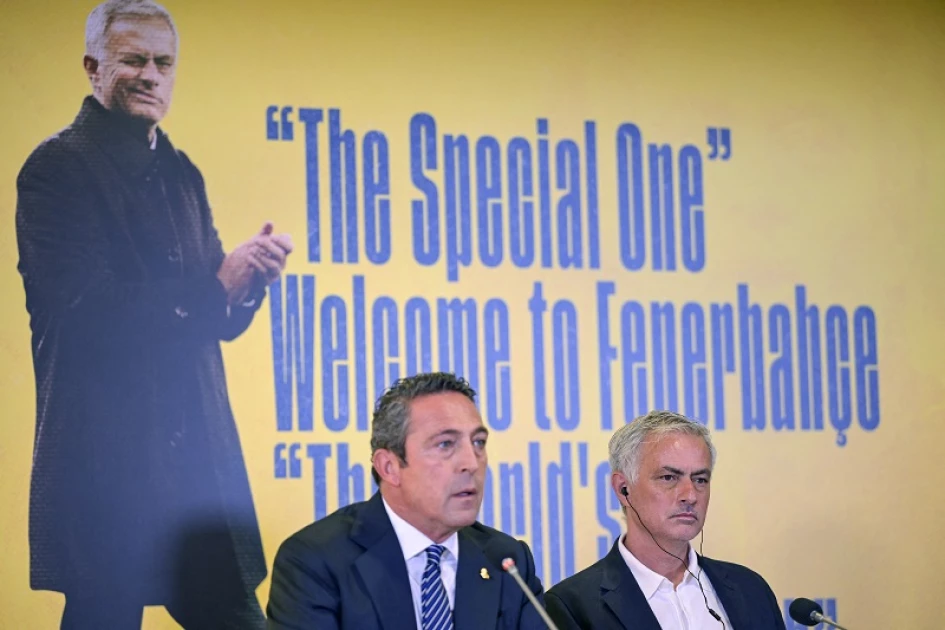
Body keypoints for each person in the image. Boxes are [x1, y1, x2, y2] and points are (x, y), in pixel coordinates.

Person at [14, 0, 292, 627]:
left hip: (194, 480)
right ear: (92, 68)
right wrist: (212, 288)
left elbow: (215, 318)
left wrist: (246, 282)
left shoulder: (181, 173)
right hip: (108, 473)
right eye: (133, 60)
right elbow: (88, 316)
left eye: (163, 63)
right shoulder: (55, 170)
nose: (150, 75)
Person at [266, 372, 547, 630]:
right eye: (446, 444)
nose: (471, 463)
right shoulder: (316, 561)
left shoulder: (508, 561)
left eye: (478, 443)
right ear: (389, 467)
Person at [546, 411, 786, 629]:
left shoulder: (750, 590)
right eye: (669, 477)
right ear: (623, 489)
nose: (690, 495)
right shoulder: (573, 607)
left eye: (700, 479)